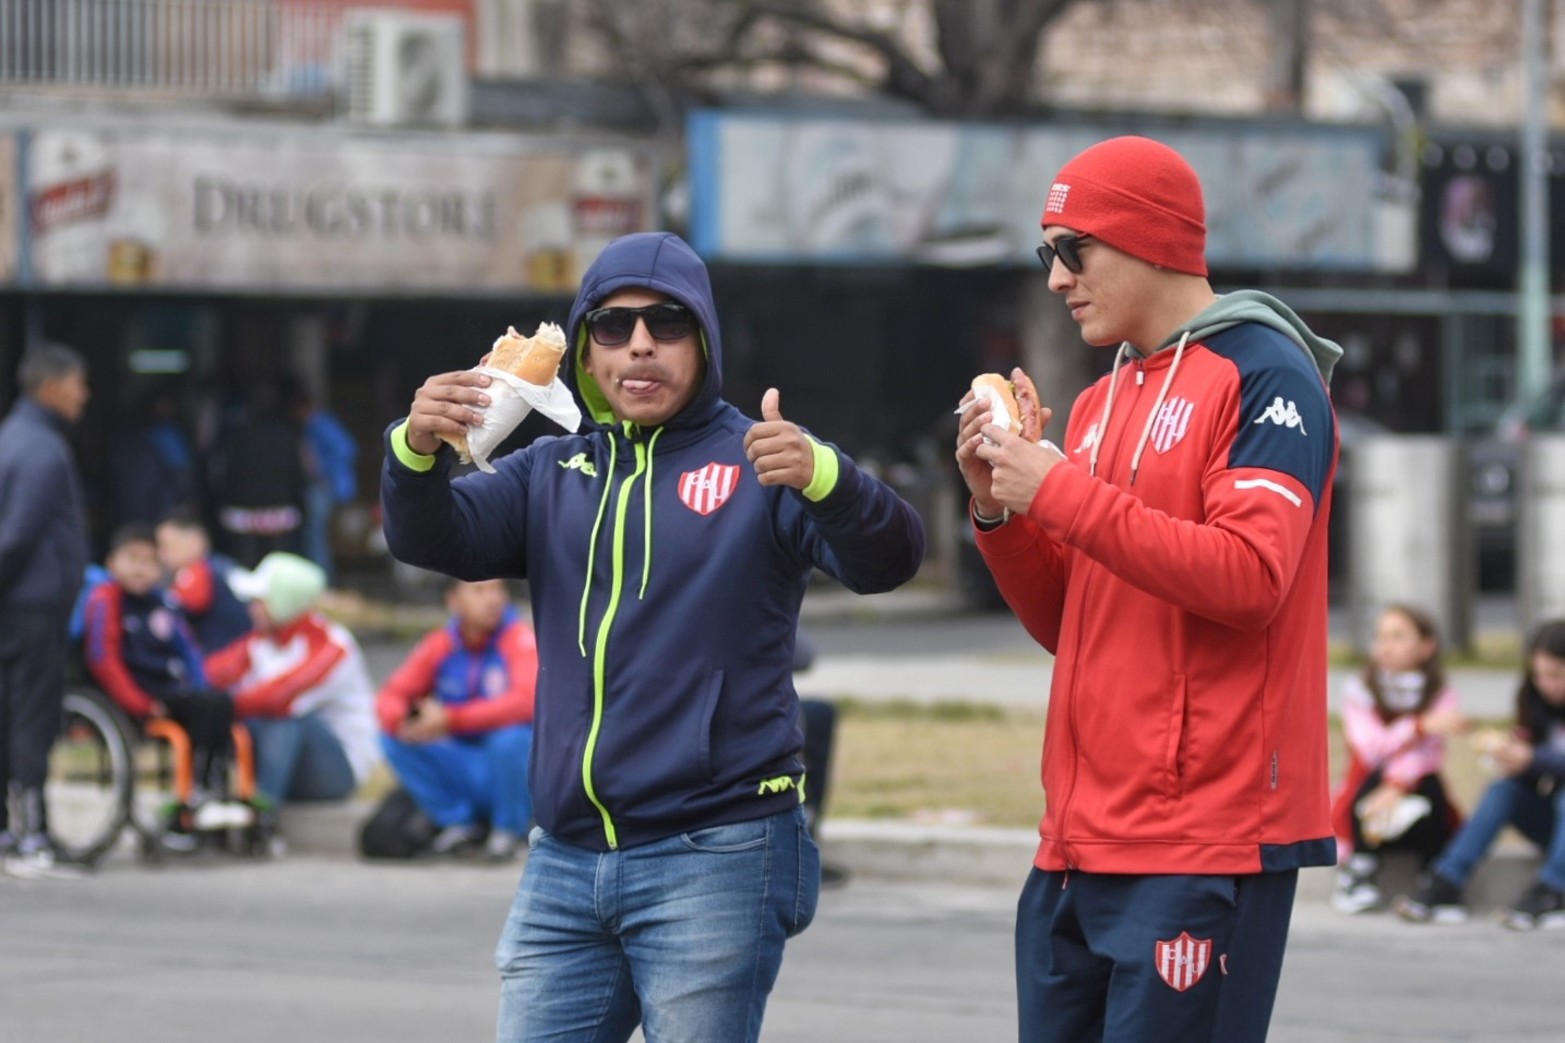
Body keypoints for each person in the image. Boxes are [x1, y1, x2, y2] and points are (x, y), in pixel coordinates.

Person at [380, 230, 926, 1042]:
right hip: (564, 859)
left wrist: (827, 477)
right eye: (612, 325)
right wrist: (414, 449)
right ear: (589, 356)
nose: (640, 343)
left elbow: (889, 559)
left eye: (668, 323)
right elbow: (434, 538)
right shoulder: (550, 471)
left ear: (704, 345)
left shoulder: (761, 462)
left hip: (716, 852)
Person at [955, 136, 1341, 1042]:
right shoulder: (1097, 402)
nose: (1055, 279)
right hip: (1078, 840)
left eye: (1070, 250)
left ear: (1148, 239)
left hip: (1202, 838)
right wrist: (1000, 510)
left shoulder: (1264, 373)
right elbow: (1070, 620)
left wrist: (1057, 489)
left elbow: (1250, 577)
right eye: (1045, 254)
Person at [1394, 618, 1565, 930]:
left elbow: (1544, 762)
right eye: (1539, 675)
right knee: (1504, 790)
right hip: (1555, 824)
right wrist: (1514, 757)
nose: (1546, 683)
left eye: (1555, 675)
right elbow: (1536, 771)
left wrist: (1533, 758)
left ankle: (1554, 891)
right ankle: (1446, 881)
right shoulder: (1536, 700)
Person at [82, 523, 241, 845]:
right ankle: (194, 797)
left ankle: (210, 791)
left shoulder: (164, 604)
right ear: (113, 563)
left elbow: (190, 651)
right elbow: (104, 661)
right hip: (137, 695)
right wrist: (140, 704)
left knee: (218, 704)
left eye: (150, 561)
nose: (141, 569)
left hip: (173, 690)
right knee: (208, 708)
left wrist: (200, 686)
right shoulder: (106, 600)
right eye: (133, 559)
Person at [0, 344, 90, 878]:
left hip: (16, 603)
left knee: (8, 714)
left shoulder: (12, 436)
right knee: (32, 718)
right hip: (32, 606)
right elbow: (19, 534)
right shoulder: (44, 449)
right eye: (79, 383)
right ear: (52, 388)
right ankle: (32, 832)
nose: (84, 395)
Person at [376, 578, 538, 862]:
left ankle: (510, 831)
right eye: (479, 591)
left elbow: (526, 703)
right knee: (394, 736)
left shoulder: (519, 638)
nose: (493, 599)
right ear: (453, 600)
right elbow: (390, 696)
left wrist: (451, 719)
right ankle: (458, 825)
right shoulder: (441, 643)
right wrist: (410, 720)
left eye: (497, 589)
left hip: (509, 768)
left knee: (511, 738)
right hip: (463, 761)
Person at [205, 552, 380, 814]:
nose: (251, 608)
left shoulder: (333, 646)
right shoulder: (262, 640)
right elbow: (210, 674)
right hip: (281, 757)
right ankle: (205, 803)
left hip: (337, 771)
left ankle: (261, 816)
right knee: (218, 712)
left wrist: (221, 705)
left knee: (283, 717)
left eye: (259, 601)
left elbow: (280, 698)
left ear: (283, 602)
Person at [1329, 603, 1468, 914]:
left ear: (1426, 646)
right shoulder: (1359, 690)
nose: (1385, 646)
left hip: (1412, 798)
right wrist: (1419, 726)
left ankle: (1433, 876)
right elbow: (1372, 748)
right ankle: (1358, 871)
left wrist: (1397, 784)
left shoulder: (1440, 692)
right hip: (1366, 798)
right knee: (1372, 778)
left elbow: (1429, 756)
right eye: (1381, 637)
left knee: (1430, 783)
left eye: (1398, 637)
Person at [156, 510, 254, 654]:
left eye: (167, 546)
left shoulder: (196, 573)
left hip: (222, 661)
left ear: (195, 541)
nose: (161, 555)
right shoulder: (227, 565)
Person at [289, 381, 359, 583]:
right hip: (327, 485)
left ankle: (322, 580)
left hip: (327, 486)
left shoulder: (319, 423)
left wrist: (323, 471)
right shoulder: (315, 424)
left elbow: (348, 449)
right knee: (320, 535)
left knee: (317, 536)